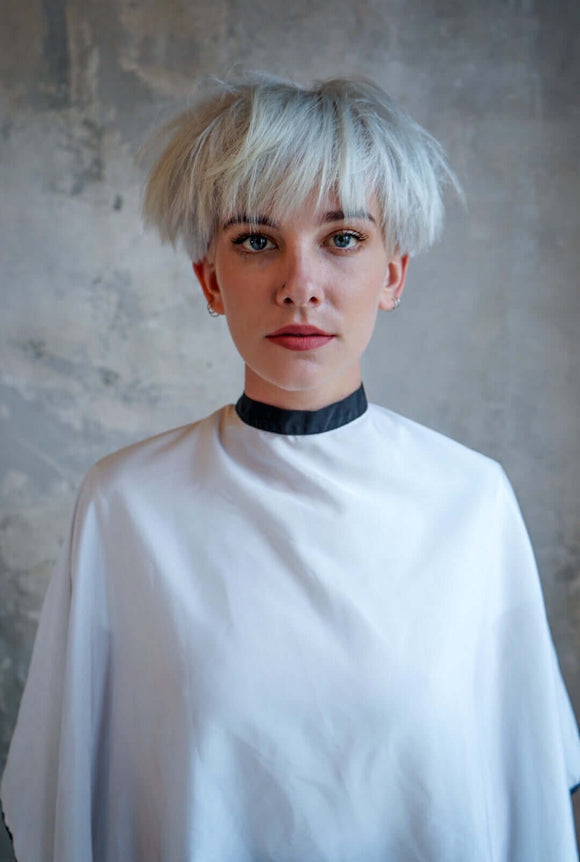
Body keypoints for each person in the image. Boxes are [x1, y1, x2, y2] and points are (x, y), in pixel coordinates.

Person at [1, 72, 579, 862]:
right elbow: (70, 803)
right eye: (256, 241)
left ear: (394, 275)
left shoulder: (471, 504)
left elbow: (527, 794)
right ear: (210, 279)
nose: (300, 286)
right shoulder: (125, 505)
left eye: (342, 239)